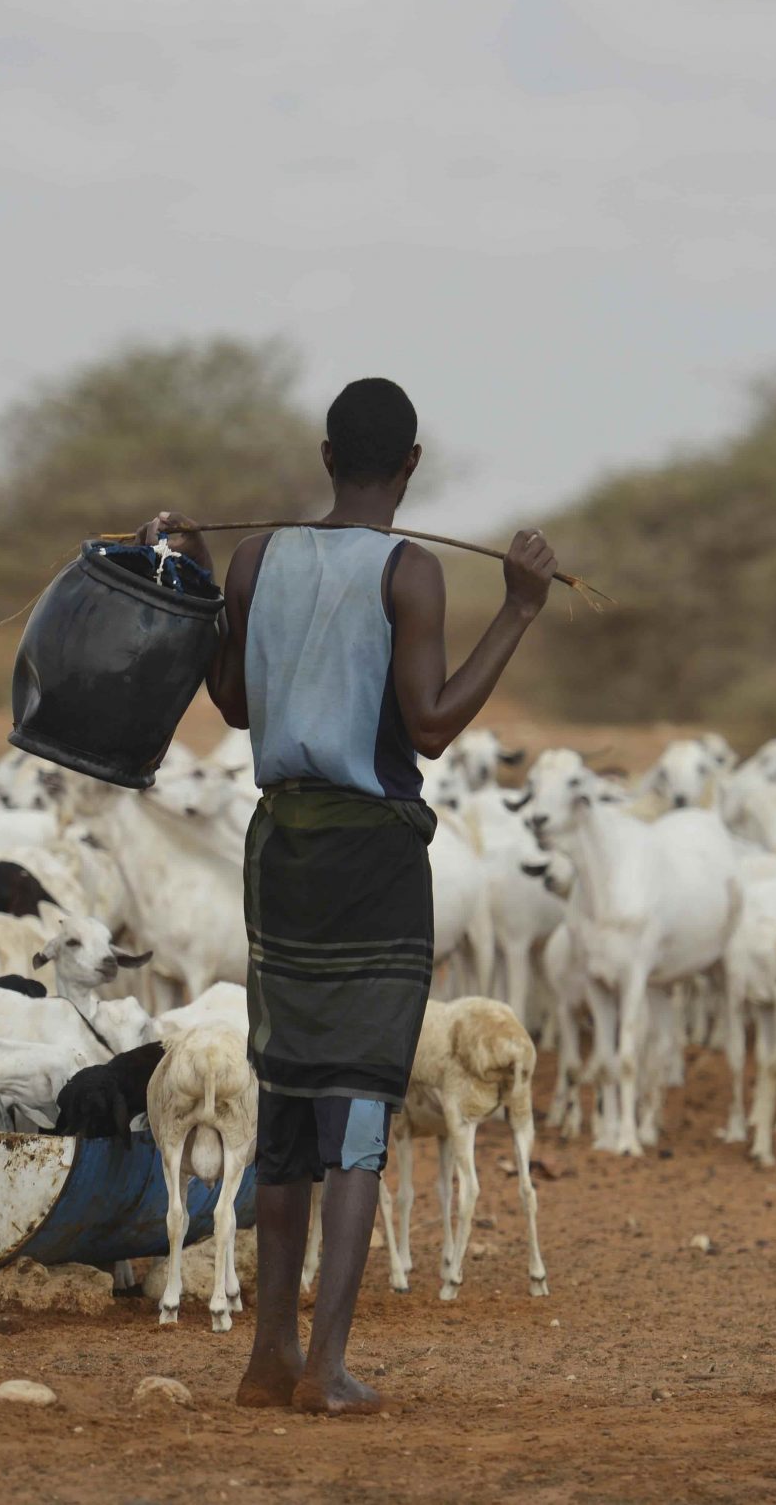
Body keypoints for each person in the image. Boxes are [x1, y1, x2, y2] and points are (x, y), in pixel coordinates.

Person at [138, 376, 558, 1415]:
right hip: (372, 855)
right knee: (358, 1102)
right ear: (409, 465)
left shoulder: (255, 556)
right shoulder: (409, 571)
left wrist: (194, 577)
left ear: (326, 455)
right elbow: (428, 724)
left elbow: (231, 700)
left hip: (278, 846)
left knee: (282, 1089)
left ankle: (266, 1354)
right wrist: (517, 609)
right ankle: (325, 1367)